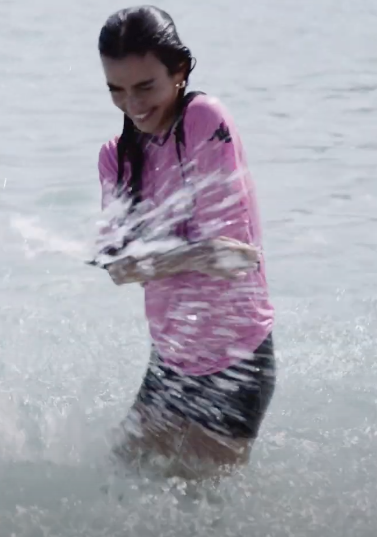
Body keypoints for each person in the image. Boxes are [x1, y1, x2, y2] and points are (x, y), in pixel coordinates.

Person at [90, 5, 276, 480]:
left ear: (179, 72)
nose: (132, 103)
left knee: (199, 506)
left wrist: (154, 261)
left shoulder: (203, 119)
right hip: (170, 362)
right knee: (116, 483)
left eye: (145, 86)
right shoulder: (115, 157)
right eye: (116, 89)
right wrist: (180, 257)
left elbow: (233, 255)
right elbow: (118, 263)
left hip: (234, 362)